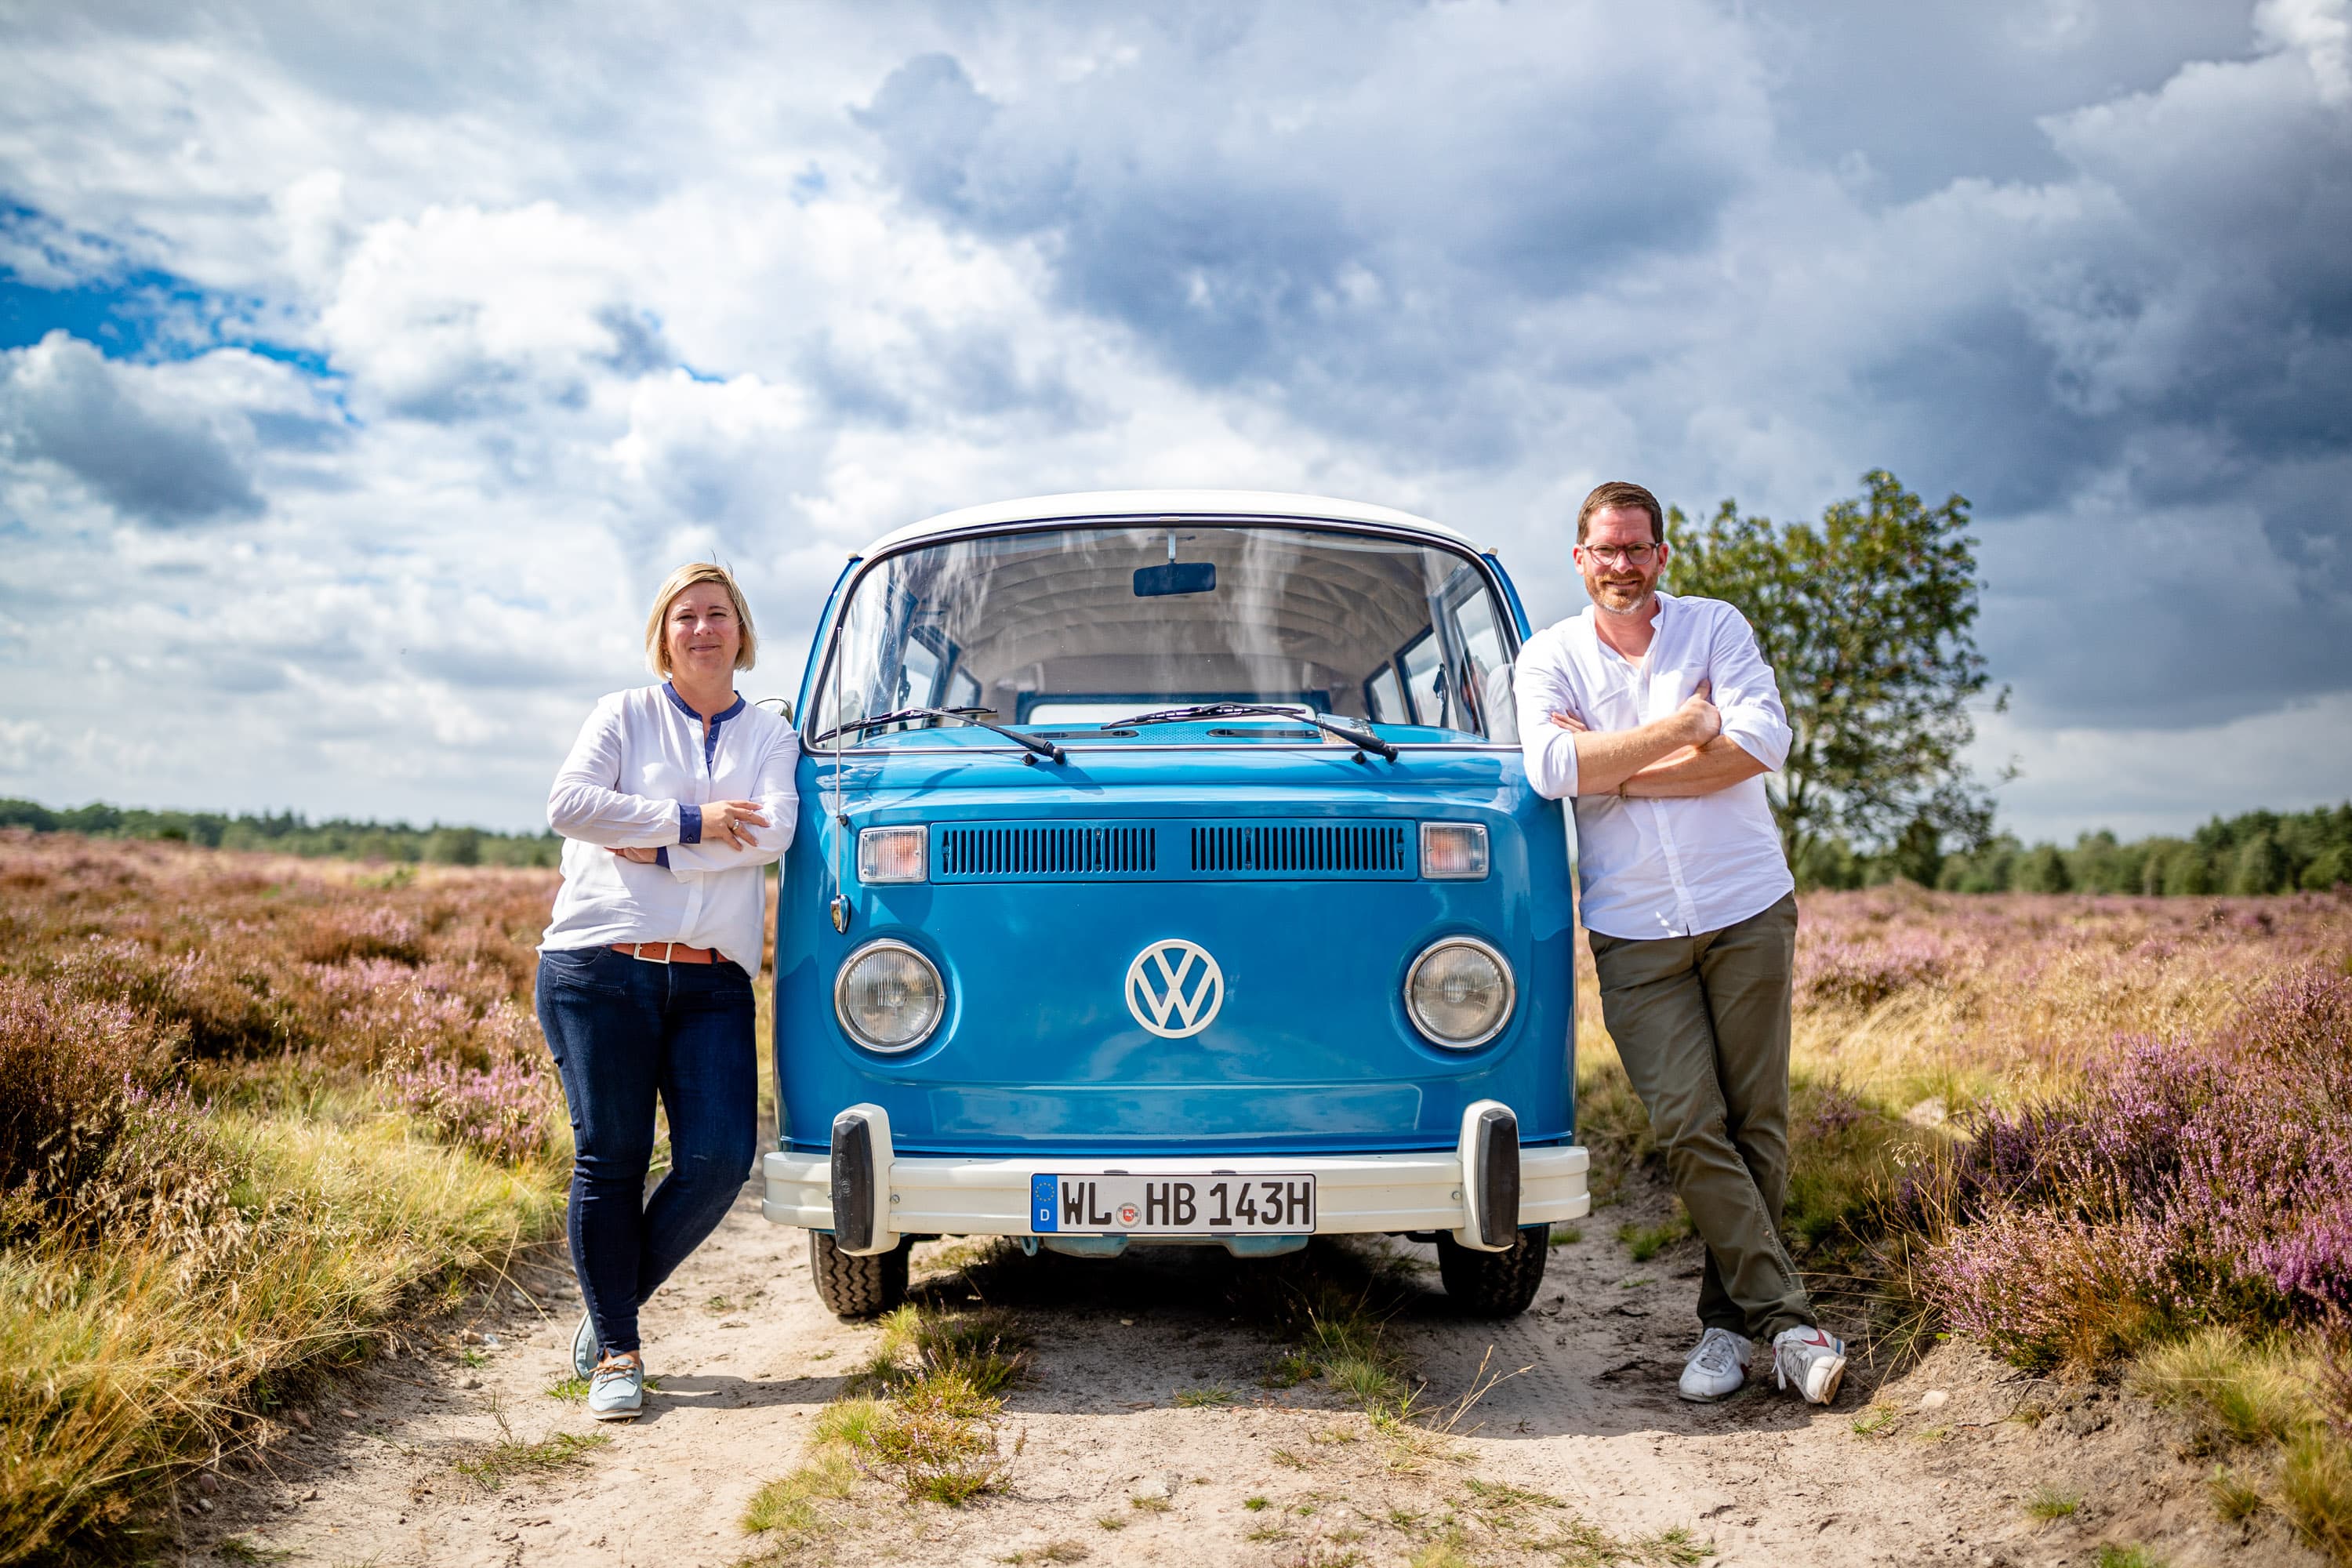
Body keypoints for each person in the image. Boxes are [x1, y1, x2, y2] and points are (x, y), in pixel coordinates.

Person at [1515, 481, 1847, 1406]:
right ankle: (1790, 1323)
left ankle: (1724, 1328)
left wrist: (1616, 767)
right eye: (1605, 549)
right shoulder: (1548, 655)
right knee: (1688, 1124)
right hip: (1635, 929)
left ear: (1662, 555)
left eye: (1637, 548)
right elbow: (1550, 767)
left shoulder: (1716, 627)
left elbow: (1761, 742)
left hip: (1747, 905)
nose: (1621, 563)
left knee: (1759, 1125)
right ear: (1579, 559)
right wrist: (1685, 730)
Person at [536, 562, 799, 1421]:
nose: (702, 628)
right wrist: (695, 822)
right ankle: (619, 1347)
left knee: (720, 1160)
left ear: (741, 630)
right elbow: (572, 804)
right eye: (685, 615)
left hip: (711, 981)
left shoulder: (770, 730)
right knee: (610, 1157)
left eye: (717, 613)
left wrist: (648, 842)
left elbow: (775, 827)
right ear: (664, 632)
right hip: (601, 967)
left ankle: (610, 1297)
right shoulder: (623, 713)